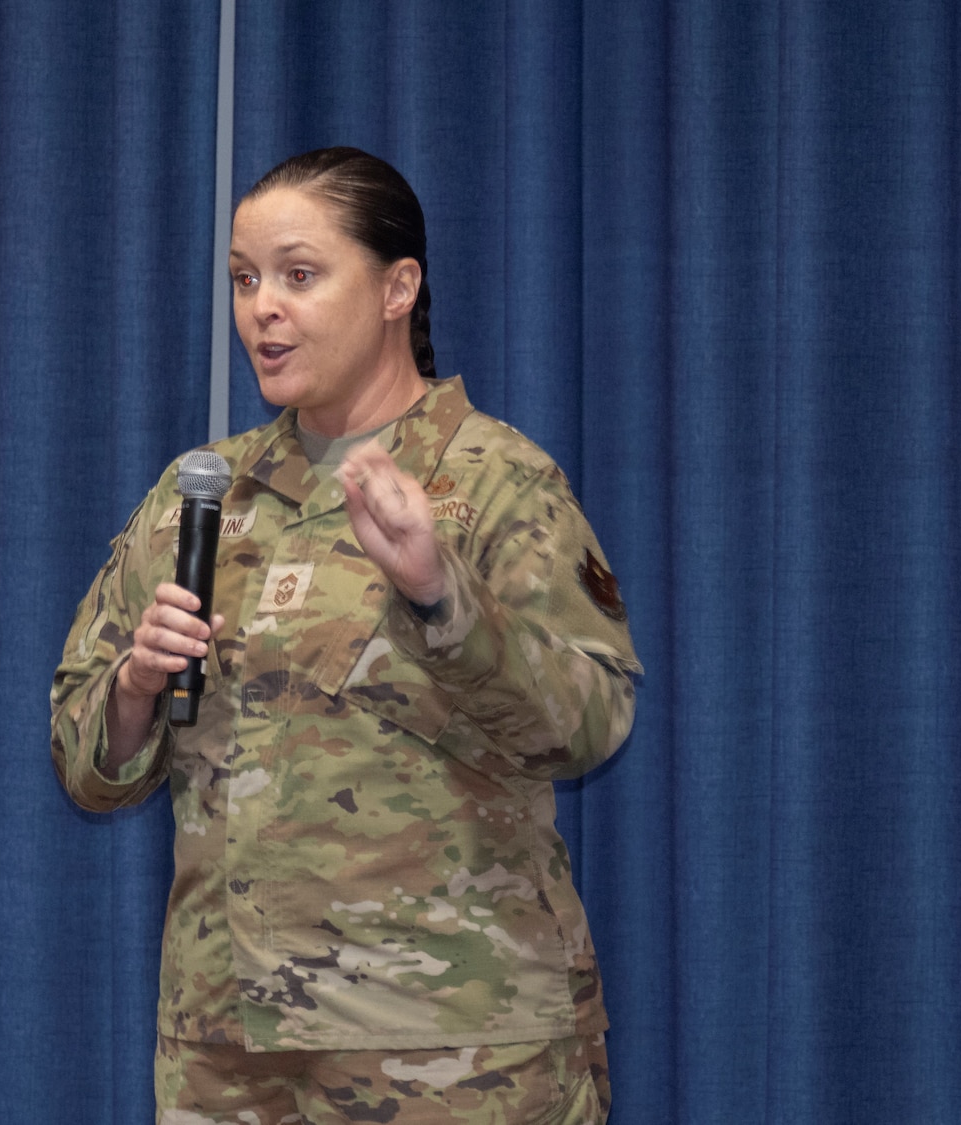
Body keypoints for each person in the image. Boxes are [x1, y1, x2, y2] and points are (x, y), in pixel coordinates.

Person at [51, 147, 641, 1124]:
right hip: (226, 1053)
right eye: (243, 280)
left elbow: (585, 727)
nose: (260, 310)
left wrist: (440, 595)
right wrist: (131, 691)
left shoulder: (493, 480)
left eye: (298, 274)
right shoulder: (201, 493)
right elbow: (83, 759)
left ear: (395, 287)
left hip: (449, 1049)